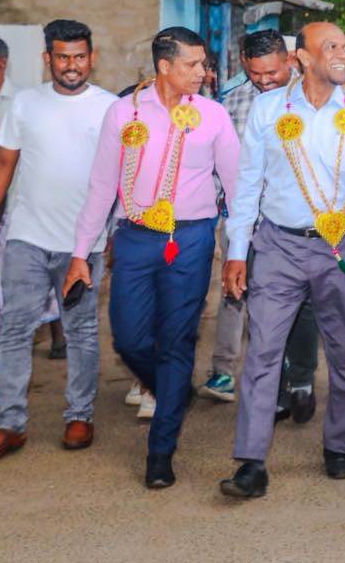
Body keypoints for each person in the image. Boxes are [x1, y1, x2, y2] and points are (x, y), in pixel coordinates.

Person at [218, 22, 345, 498]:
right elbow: (247, 184)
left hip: (343, 246)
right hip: (278, 245)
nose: (342, 54)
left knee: (343, 351)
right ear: (303, 58)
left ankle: (339, 445)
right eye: (330, 46)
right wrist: (238, 251)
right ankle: (251, 462)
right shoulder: (269, 109)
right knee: (262, 352)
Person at [64, 27, 240, 489]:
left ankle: (160, 452)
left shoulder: (213, 116)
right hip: (136, 237)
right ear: (165, 66)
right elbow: (102, 186)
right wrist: (80, 253)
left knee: (177, 340)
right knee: (129, 339)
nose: (203, 72)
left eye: (203, 64)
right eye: (192, 64)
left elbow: (236, 186)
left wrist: (238, 251)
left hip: (191, 238)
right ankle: (173, 390)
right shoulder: (124, 112)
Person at [0, 21, 118, 461]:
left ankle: (80, 415)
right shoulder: (26, 103)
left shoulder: (111, 108)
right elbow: (3, 163)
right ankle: (9, 424)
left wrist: (113, 231)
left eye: (80, 57)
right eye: (62, 57)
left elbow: (121, 175)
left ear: (92, 58)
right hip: (27, 237)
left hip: (83, 244)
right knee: (14, 328)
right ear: (47, 58)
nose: (72, 65)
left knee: (81, 331)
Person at [200, 29, 297, 404]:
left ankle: (285, 372)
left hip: (291, 225)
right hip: (242, 220)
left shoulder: (311, 99)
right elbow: (219, 163)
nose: (264, 80)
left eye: (271, 72)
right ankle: (223, 370)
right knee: (233, 292)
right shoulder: (233, 102)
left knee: (285, 299)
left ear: (289, 60)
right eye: (255, 73)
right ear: (244, 64)